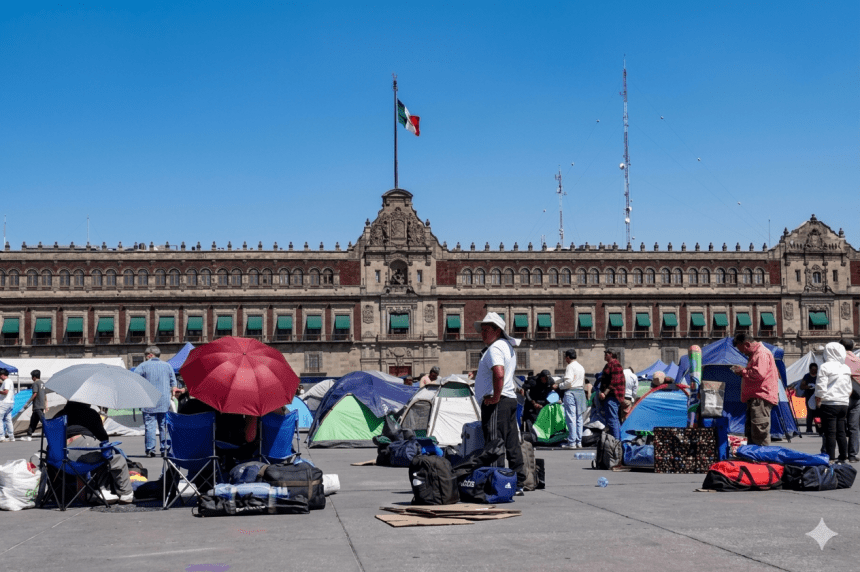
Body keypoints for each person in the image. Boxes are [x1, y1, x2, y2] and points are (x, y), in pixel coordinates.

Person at [472, 312, 525, 494]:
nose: (482, 334)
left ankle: (496, 482)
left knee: (494, 444)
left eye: (486, 330)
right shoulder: (507, 347)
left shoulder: (495, 348)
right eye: (482, 330)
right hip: (509, 399)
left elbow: (499, 373)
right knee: (512, 442)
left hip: (498, 402)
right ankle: (518, 482)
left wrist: (495, 397)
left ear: (497, 330)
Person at [52, 400, 134, 504]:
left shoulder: (58, 415)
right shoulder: (89, 413)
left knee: (97, 455)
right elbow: (103, 438)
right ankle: (125, 493)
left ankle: (101, 490)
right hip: (82, 447)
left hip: (60, 458)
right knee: (115, 458)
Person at [731, 333, 779, 446]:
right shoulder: (757, 354)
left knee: (759, 433)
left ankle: (762, 456)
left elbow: (759, 374)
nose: (743, 353)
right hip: (757, 398)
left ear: (747, 344)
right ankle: (754, 455)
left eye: (742, 350)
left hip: (760, 398)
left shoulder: (761, 353)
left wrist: (742, 371)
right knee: (753, 432)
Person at [136, 346, 179, 457]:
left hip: (148, 400)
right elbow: (174, 383)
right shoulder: (167, 366)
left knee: (150, 426)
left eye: (146, 355)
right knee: (164, 425)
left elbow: (135, 379)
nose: (145, 357)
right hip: (164, 401)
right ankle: (165, 449)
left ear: (150, 355)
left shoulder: (143, 366)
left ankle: (150, 450)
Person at [814, 341, 852, 463]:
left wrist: (818, 399)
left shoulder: (825, 367)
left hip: (829, 403)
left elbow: (820, 386)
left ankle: (830, 457)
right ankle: (843, 456)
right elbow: (849, 388)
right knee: (841, 431)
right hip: (843, 403)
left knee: (830, 432)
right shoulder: (846, 367)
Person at [555, 349, 585, 449]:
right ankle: (579, 442)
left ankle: (572, 442)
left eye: (565, 357)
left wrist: (559, 386)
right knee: (579, 418)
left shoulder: (570, 366)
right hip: (580, 391)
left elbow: (568, 382)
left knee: (571, 417)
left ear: (568, 357)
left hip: (571, 392)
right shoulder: (581, 367)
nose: (565, 359)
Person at [837, 338, 860, 463]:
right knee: (854, 427)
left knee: (836, 425)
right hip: (856, 396)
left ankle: (838, 454)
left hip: (841, 395)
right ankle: (852, 455)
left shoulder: (838, 360)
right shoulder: (858, 360)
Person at [597, 349, 625, 440]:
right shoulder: (611, 364)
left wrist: (605, 393)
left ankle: (616, 441)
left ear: (611, 354)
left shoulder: (614, 364)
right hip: (611, 396)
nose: (604, 355)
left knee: (612, 420)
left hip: (612, 396)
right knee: (614, 419)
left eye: (606, 354)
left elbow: (614, 382)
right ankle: (618, 441)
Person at [23, 370, 47, 439]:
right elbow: (45, 395)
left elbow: (35, 394)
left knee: (43, 421)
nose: (31, 378)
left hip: (37, 405)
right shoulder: (42, 383)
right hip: (41, 405)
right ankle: (29, 435)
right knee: (33, 421)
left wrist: (27, 403)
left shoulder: (35, 383)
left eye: (32, 376)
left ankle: (51, 432)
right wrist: (45, 405)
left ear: (34, 377)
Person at [798, 363, 819, 434]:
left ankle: (818, 429)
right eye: (812, 369)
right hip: (809, 397)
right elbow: (801, 386)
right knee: (810, 413)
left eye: (815, 369)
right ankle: (809, 429)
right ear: (810, 369)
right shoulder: (807, 376)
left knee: (818, 413)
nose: (814, 371)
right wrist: (808, 387)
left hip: (817, 397)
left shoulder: (819, 376)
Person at [0, 368, 15, 442]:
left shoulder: (6, 381)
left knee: (0, 419)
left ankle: (1, 436)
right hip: (10, 403)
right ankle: (11, 436)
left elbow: (5, 392)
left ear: (3, 375)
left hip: (4, 402)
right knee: (8, 419)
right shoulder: (9, 381)